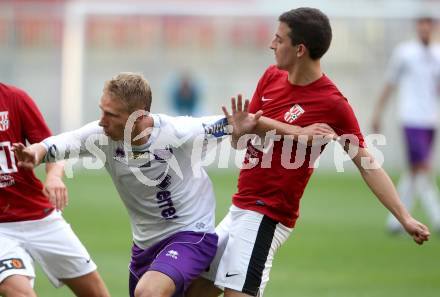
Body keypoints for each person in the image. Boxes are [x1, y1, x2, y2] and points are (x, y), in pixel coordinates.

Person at [186, 7, 431, 297]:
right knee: (192, 291)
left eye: (279, 39)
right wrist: (240, 132)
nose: (271, 45)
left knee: (236, 293)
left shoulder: (332, 104)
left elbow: (367, 165)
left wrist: (404, 217)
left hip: (267, 214)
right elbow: (242, 140)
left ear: (299, 49)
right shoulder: (270, 76)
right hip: (239, 208)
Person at [11, 73, 231, 297]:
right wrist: (36, 152)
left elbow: (233, 124)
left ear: (138, 117)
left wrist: (247, 122)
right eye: (101, 110)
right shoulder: (101, 136)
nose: (101, 121)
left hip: (191, 235)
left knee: (149, 292)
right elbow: (66, 141)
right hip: (145, 247)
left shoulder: (178, 132)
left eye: (110, 114)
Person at [0, 83, 110, 297]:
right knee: (17, 291)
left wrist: (53, 176)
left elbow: (52, 148)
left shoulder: (15, 99)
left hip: (40, 217)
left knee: (97, 293)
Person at [371, 16, 440, 233]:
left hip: (431, 119)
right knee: (423, 168)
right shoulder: (405, 53)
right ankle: (437, 218)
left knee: (414, 171)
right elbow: (390, 83)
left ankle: (395, 222)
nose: (425, 29)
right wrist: (377, 112)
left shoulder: (438, 55)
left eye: (429, 25)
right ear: (417, 28)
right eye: (421, 25)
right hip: (411, 118)